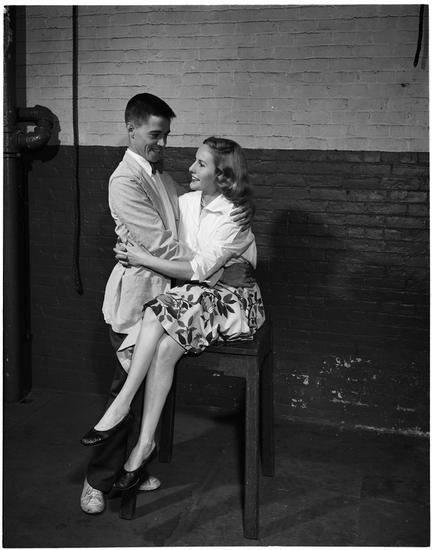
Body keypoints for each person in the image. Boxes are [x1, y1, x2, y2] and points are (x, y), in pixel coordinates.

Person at [80, 94, 254, 514]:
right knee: (124, 385)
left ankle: (135, 466)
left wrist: (238, 234)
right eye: (155, 134)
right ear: (132, 129)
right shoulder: (125, 181)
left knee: (142, 383)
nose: (162, 143)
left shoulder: (159, 175)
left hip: (174, 295)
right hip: (140, 296)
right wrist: (210, 263)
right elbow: (162, 243)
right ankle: (97, 482)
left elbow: (204, 209)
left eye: (166, 135)